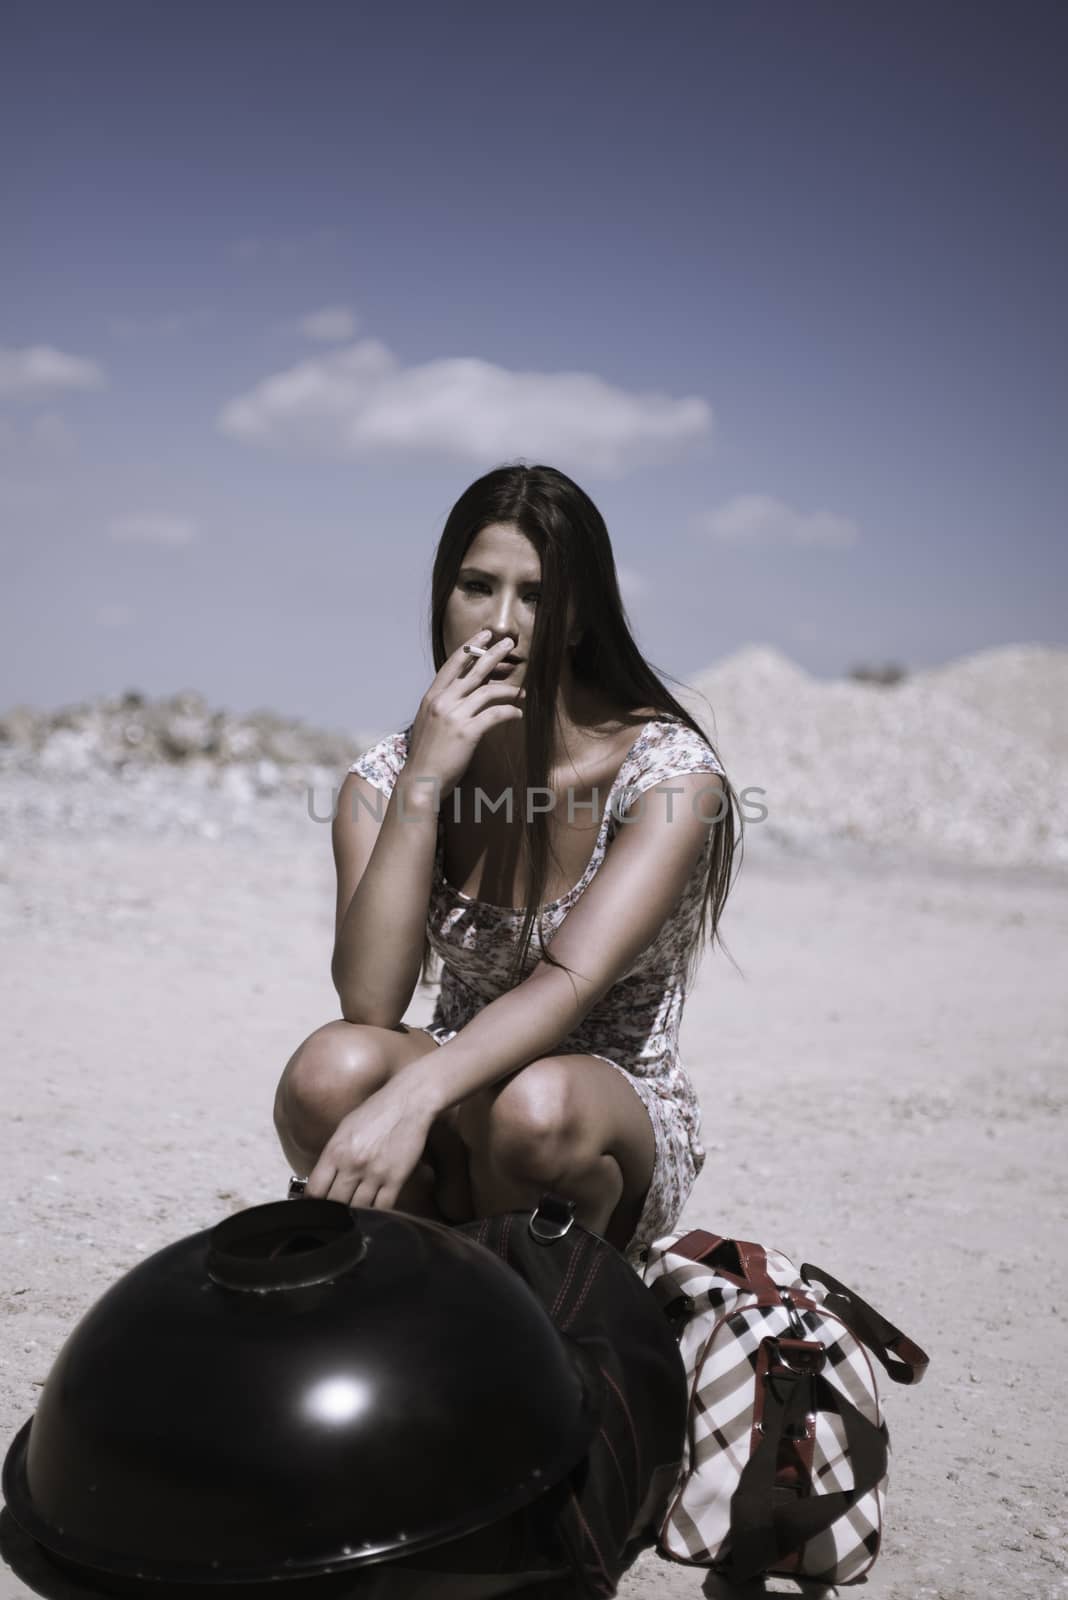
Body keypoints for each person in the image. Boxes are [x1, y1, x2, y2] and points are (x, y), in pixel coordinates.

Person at [273, 463, 744, 1263]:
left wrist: (409, 1101)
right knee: (328, 1071)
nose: (503, 623)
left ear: (581, 616)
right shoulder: (381, 781)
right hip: (459, 1086)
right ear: (442, 598)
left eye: (537, 594)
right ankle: (430, 1288)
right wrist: (424, 782)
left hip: (596, 1111)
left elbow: (567, 982)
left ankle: (552, 1315)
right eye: (476, 587)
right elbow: (372, 1000)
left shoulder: (668, 775)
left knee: (531, 1112)